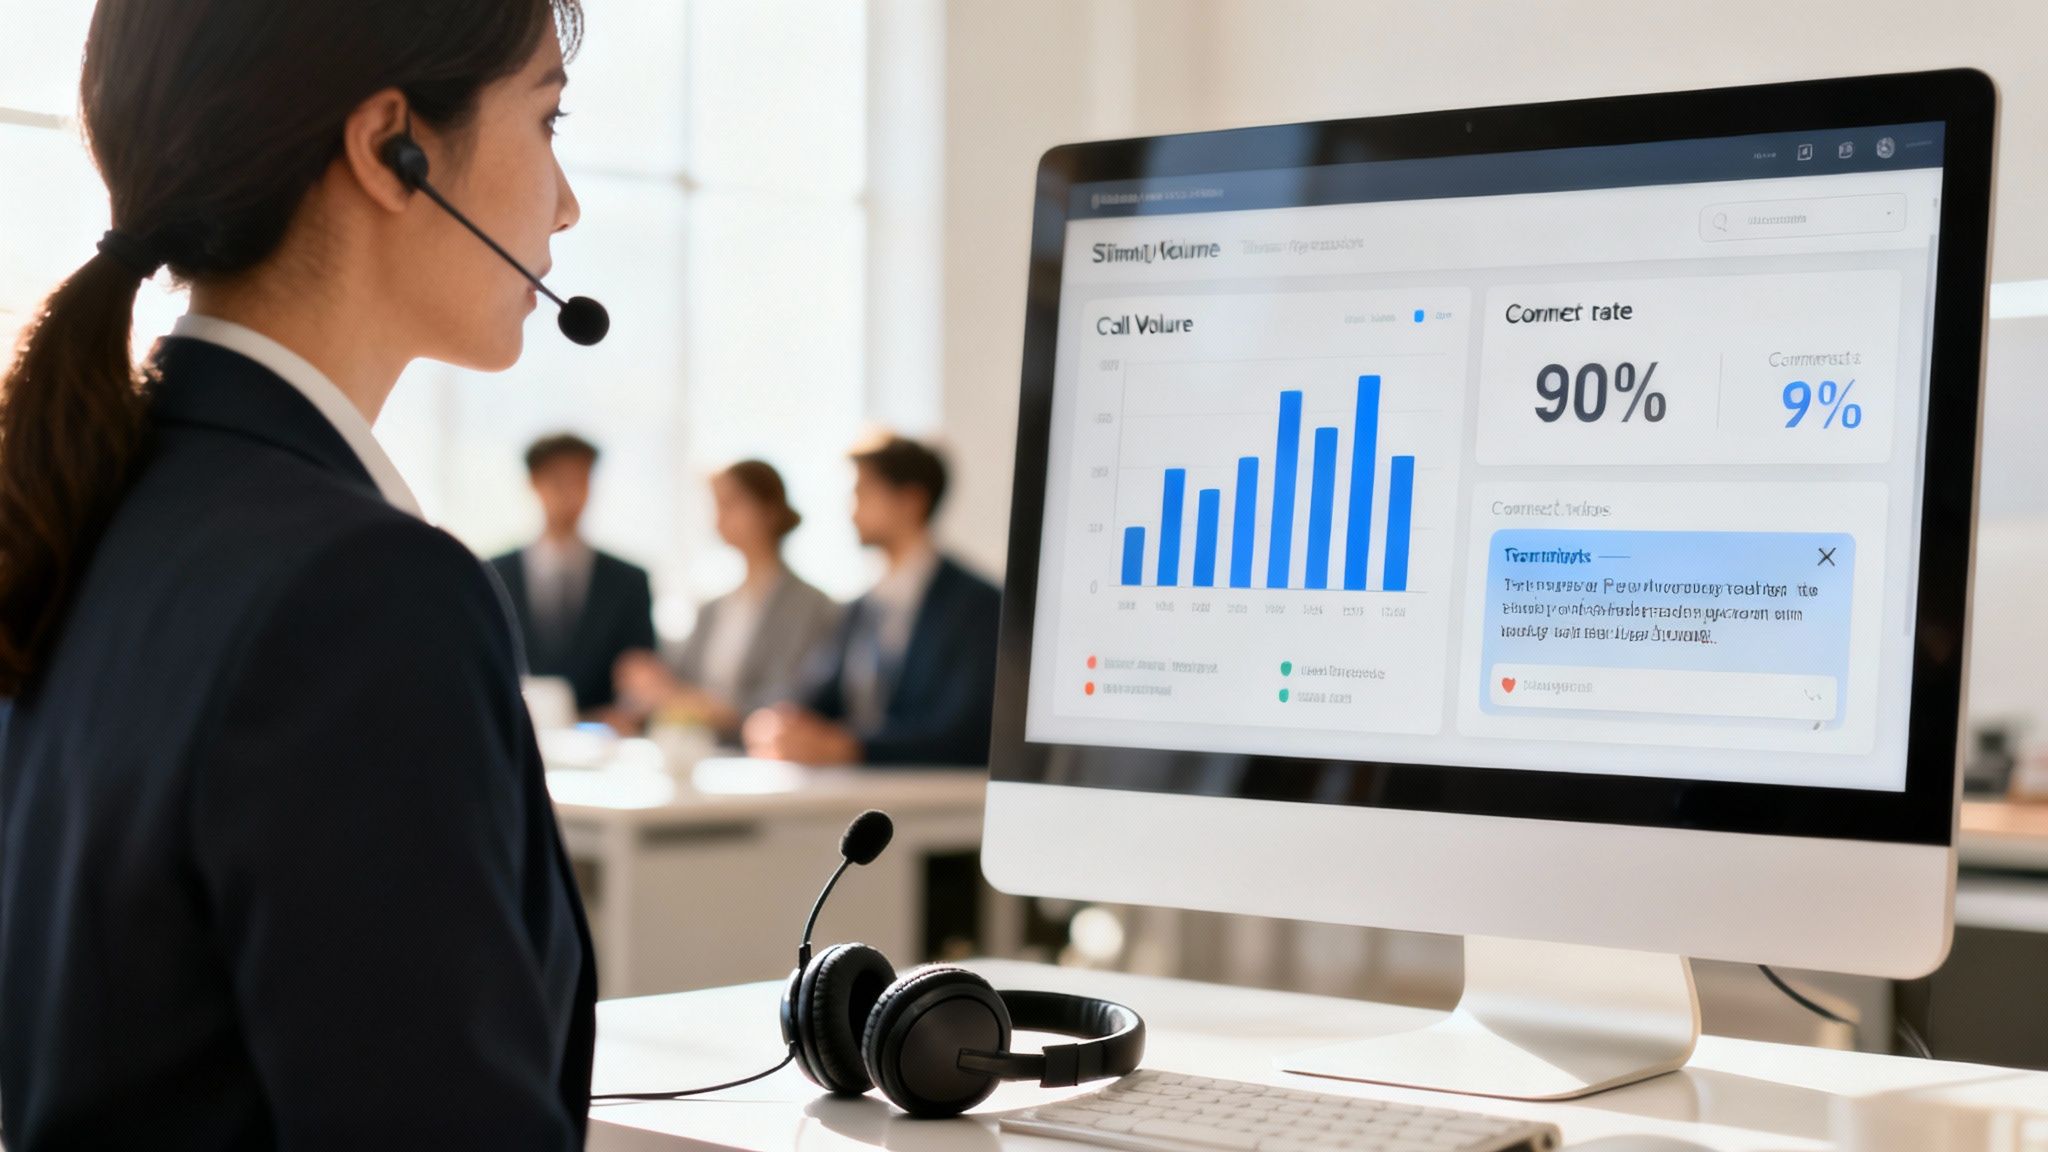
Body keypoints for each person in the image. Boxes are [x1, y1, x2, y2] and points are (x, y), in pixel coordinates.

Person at [0, 2, 597, 1147]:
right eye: (548, 119)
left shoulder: (95, 506)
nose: (565, 201)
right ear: (390, 149)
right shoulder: (360, 593)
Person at [744, 435, 1001, 768]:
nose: (851, 511)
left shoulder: (976, 605)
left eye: (863, 493)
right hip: (858, 789)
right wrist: (784, 723)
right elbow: (820, 695)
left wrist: (851, 748)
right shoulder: (862, 606)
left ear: (911, 501)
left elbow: (963, 731)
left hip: (936, 797)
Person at [614, 460, 839, 742]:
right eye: (718, 505)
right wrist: (654, 684)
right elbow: (682, 683)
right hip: (702, 754)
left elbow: (791, 696)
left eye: (731, 504)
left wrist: (701, 707)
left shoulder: (810, 605)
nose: (719, 517)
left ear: (768, 511)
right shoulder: (713, 608)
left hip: (766, 756)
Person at [489, 433, 654, 719]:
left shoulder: (629, 581)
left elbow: (641, 674)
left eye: (581, 481)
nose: (570, 494)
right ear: (534, 484)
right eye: (559, 481)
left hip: (604, 743)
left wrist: (627, 712)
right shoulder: (494, 575)